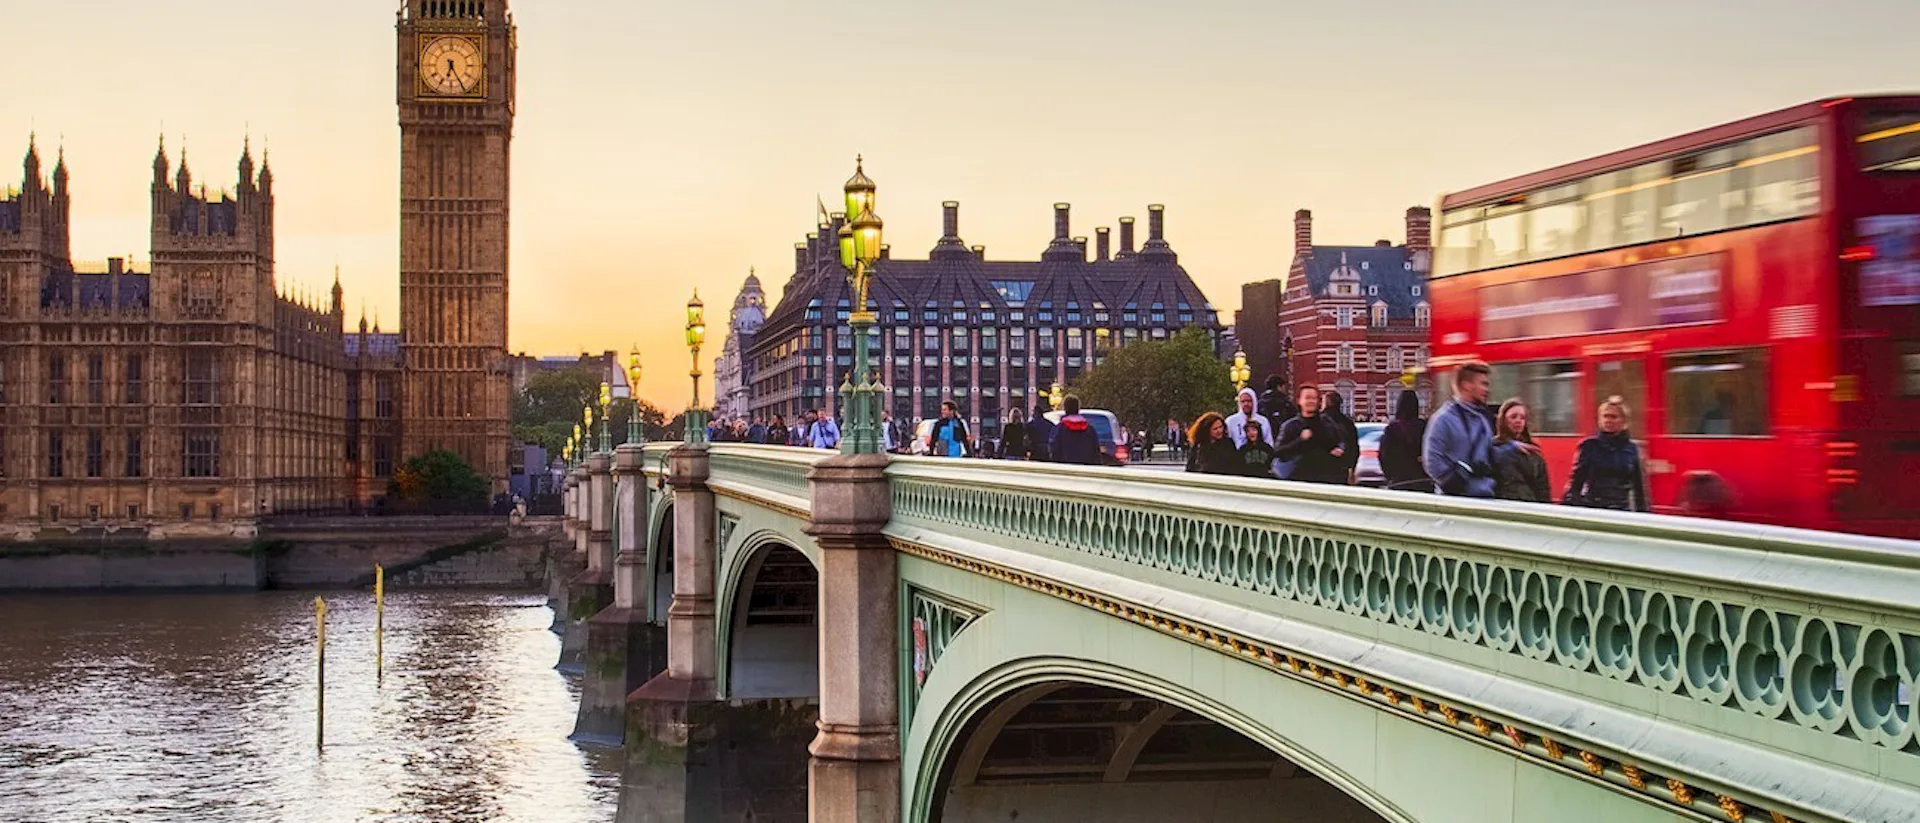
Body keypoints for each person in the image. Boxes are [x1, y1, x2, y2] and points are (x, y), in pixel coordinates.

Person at [1564, 395, 1650, 512]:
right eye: (1605, 416)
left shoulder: (1632, 449)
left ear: (1624, 421)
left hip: (1621, 510)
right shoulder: (1589, 446)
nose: (1608, 420)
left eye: (1613, 417)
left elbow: (1639, 488)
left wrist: (1643, 515)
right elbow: (1575, 483)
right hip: (1593, 508)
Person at [1424, 361, 1497, 498]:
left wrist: (1512, 446)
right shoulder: (1443, 419)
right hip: (1456, 501)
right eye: (1483, 384)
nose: (1487, 390)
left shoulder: (1482, 419)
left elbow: (1492, 451)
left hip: (1486, 498)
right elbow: (1432, 461)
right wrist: (1456, 483)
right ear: (1466, 385)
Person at [1274, 385, 1347, 484]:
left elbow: (1340, 441)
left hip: (1324, 480)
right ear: (1299, 400)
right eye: (1307, 398)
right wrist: (1300, 440)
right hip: (1297, 479)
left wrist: (1339, 449)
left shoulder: (1326, 423)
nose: (1311, 401)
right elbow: (1279, 452)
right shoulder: (1290, 425)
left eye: (1314, 398)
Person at [1491, 398, 1552, 502]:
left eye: (1522, 417)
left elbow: (1543, 487)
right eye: (1513, 417)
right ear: (1503, 420)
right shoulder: (1495, 447)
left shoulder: (1533, 451)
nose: (1518, 421)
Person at [1379, 391, 1432, 493]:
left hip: (1399, 481)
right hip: (1423, 481)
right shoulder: (1425, 427)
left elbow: (1384, 456)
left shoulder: (1392, 429)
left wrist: (1390, 476)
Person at [1050, 395, 1102, 465]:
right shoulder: (1090, 429)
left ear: (1065, 408)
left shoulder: (1059, 429)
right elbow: (1096, 453)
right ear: (1078, 408)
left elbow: (1054, 451)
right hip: (1086, 470)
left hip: (1065, 469)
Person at [1323, 391, 1361, 484]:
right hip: (1342, 466)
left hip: (1322, 465)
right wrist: (1352, 468)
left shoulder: (1319, 420)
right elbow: (1354, 447)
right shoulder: (1347, 422)